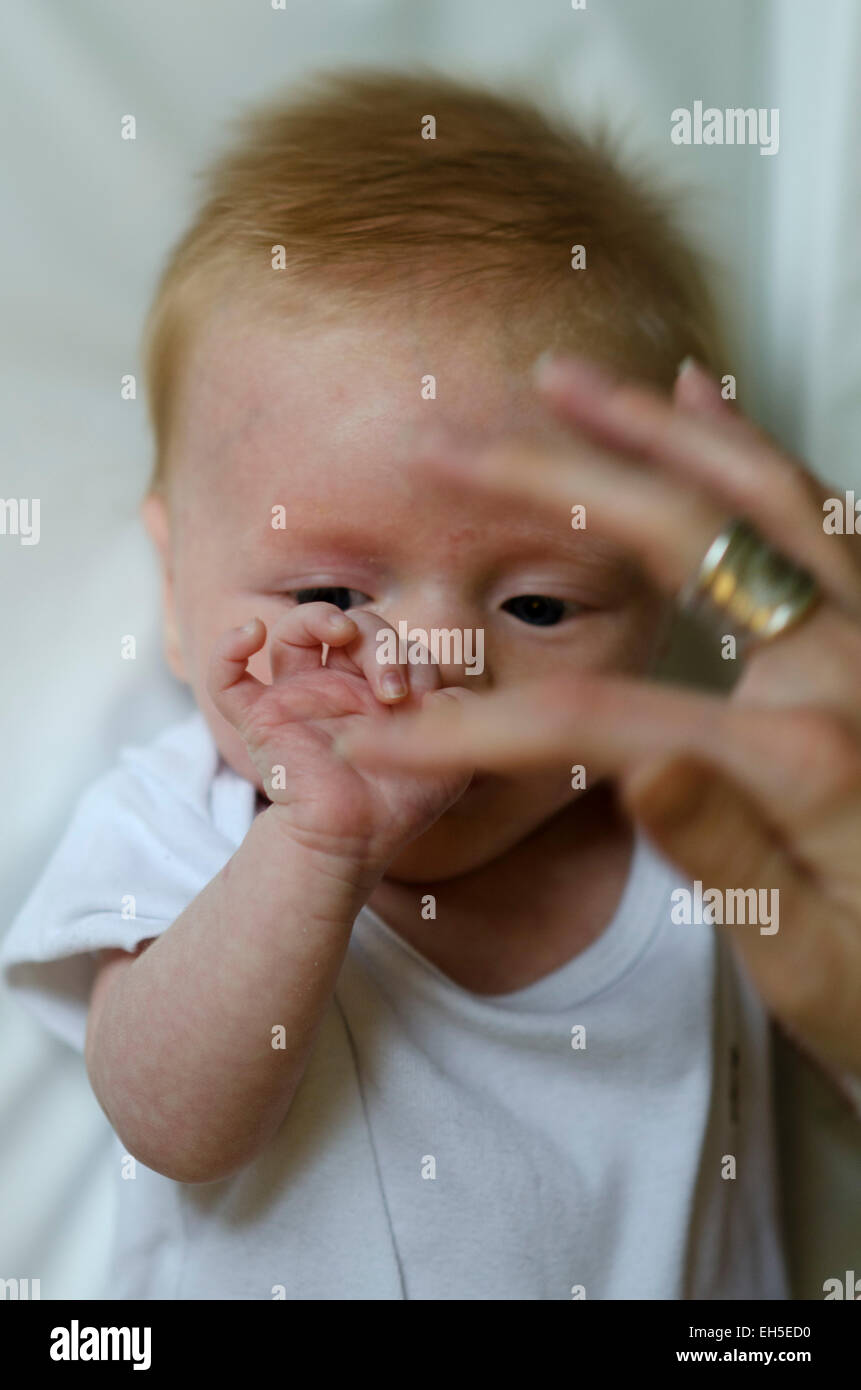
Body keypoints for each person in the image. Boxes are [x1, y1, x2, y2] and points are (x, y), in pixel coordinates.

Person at [2, 69, 837, 1301]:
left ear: (660, 608)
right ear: (177, 594)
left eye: (540, 605)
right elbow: (169, 1121)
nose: (434, 667)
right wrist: (316, 845)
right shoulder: (183, 820)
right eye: (330, 600)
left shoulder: (708, 837)